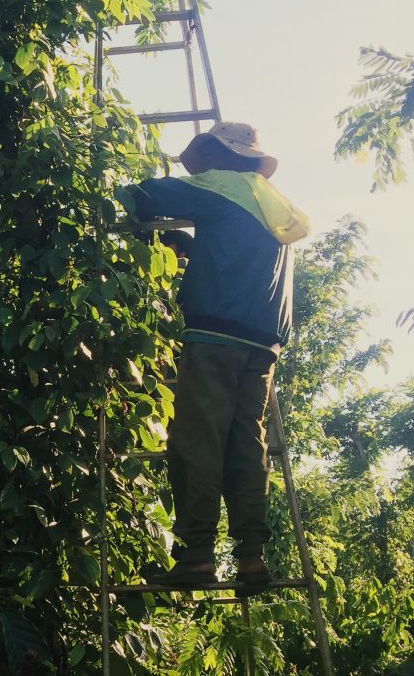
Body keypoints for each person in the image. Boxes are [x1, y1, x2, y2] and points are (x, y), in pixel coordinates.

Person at [124, 122, 310, 592]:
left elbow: (144, 196)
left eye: (207, 156)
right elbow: (233, 247)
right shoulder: (273, 201)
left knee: (196, 440)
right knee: (246, 444)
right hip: (262, 343)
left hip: (216, 336)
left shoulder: (222, 186)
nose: (202, 166)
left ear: (224, 156)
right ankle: (251, 557)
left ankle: (198, 555)